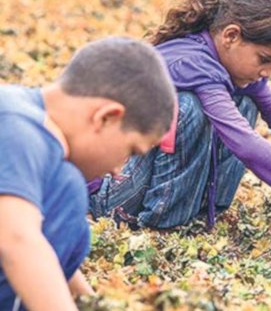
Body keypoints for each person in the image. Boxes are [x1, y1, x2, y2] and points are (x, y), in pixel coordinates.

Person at [88, 0, 271, 231]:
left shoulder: (233, 67)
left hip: (139, 182)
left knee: (246, 101)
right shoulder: (192, 63)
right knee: (188, 109)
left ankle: (203, 210)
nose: (267, 72)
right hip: (110, 193)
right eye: (264, 59)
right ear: (231, 36)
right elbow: (244, 141)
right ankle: (162, 224)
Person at [0, 37, 176, 310]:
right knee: (67, 189)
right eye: (131, 151)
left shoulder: (26, 120)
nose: (119, 169)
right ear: (106, 117)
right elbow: (17, 241)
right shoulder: (18, 129)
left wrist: (93, 304)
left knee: (67, 194)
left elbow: (50, 258)